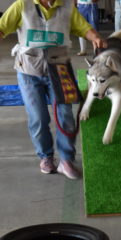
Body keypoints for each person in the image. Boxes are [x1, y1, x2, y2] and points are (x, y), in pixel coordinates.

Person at [0, 0, 106, 179]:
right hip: (29, 71)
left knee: (65, 114)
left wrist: (95, 37)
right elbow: (2, 27)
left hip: (60, 69)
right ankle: (46, 157)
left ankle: (66, 160)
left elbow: (84, 27)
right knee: (38, 116)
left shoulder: (66, 7)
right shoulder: (22, 5)